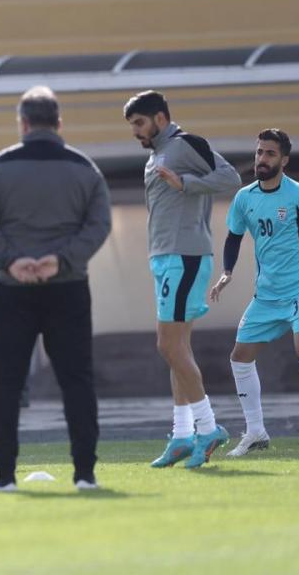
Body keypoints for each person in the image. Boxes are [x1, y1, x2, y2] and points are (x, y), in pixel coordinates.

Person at [0, 86, 111, 492]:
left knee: (5, 383)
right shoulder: (86, 169)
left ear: (23, 123)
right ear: (59, 123)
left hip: (11, 287)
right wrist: (61, 260)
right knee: (77, 380)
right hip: (68, 286)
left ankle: (3, 476)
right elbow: (99, 225)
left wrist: (10, 259)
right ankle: (84, 474)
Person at [124, 90, 241, 469]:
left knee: (168, 346)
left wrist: (185, 183)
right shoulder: (157, 154)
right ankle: (181, 436)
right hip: (166, 257)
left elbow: (231, 176)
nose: (135, 131)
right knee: (178, 348)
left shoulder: (185, 143)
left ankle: (208, 428)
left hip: (184, 256)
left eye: (139, 123)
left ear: (159, 118)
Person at [209, 129, 299, 457]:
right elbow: (234, 237)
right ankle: (255, 432)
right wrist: (227, 272)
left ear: (284, 160)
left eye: (270, 153)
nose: (262, 159)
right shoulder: (245, 198)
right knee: (240, 357)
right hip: (267, 295)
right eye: (259, 152)